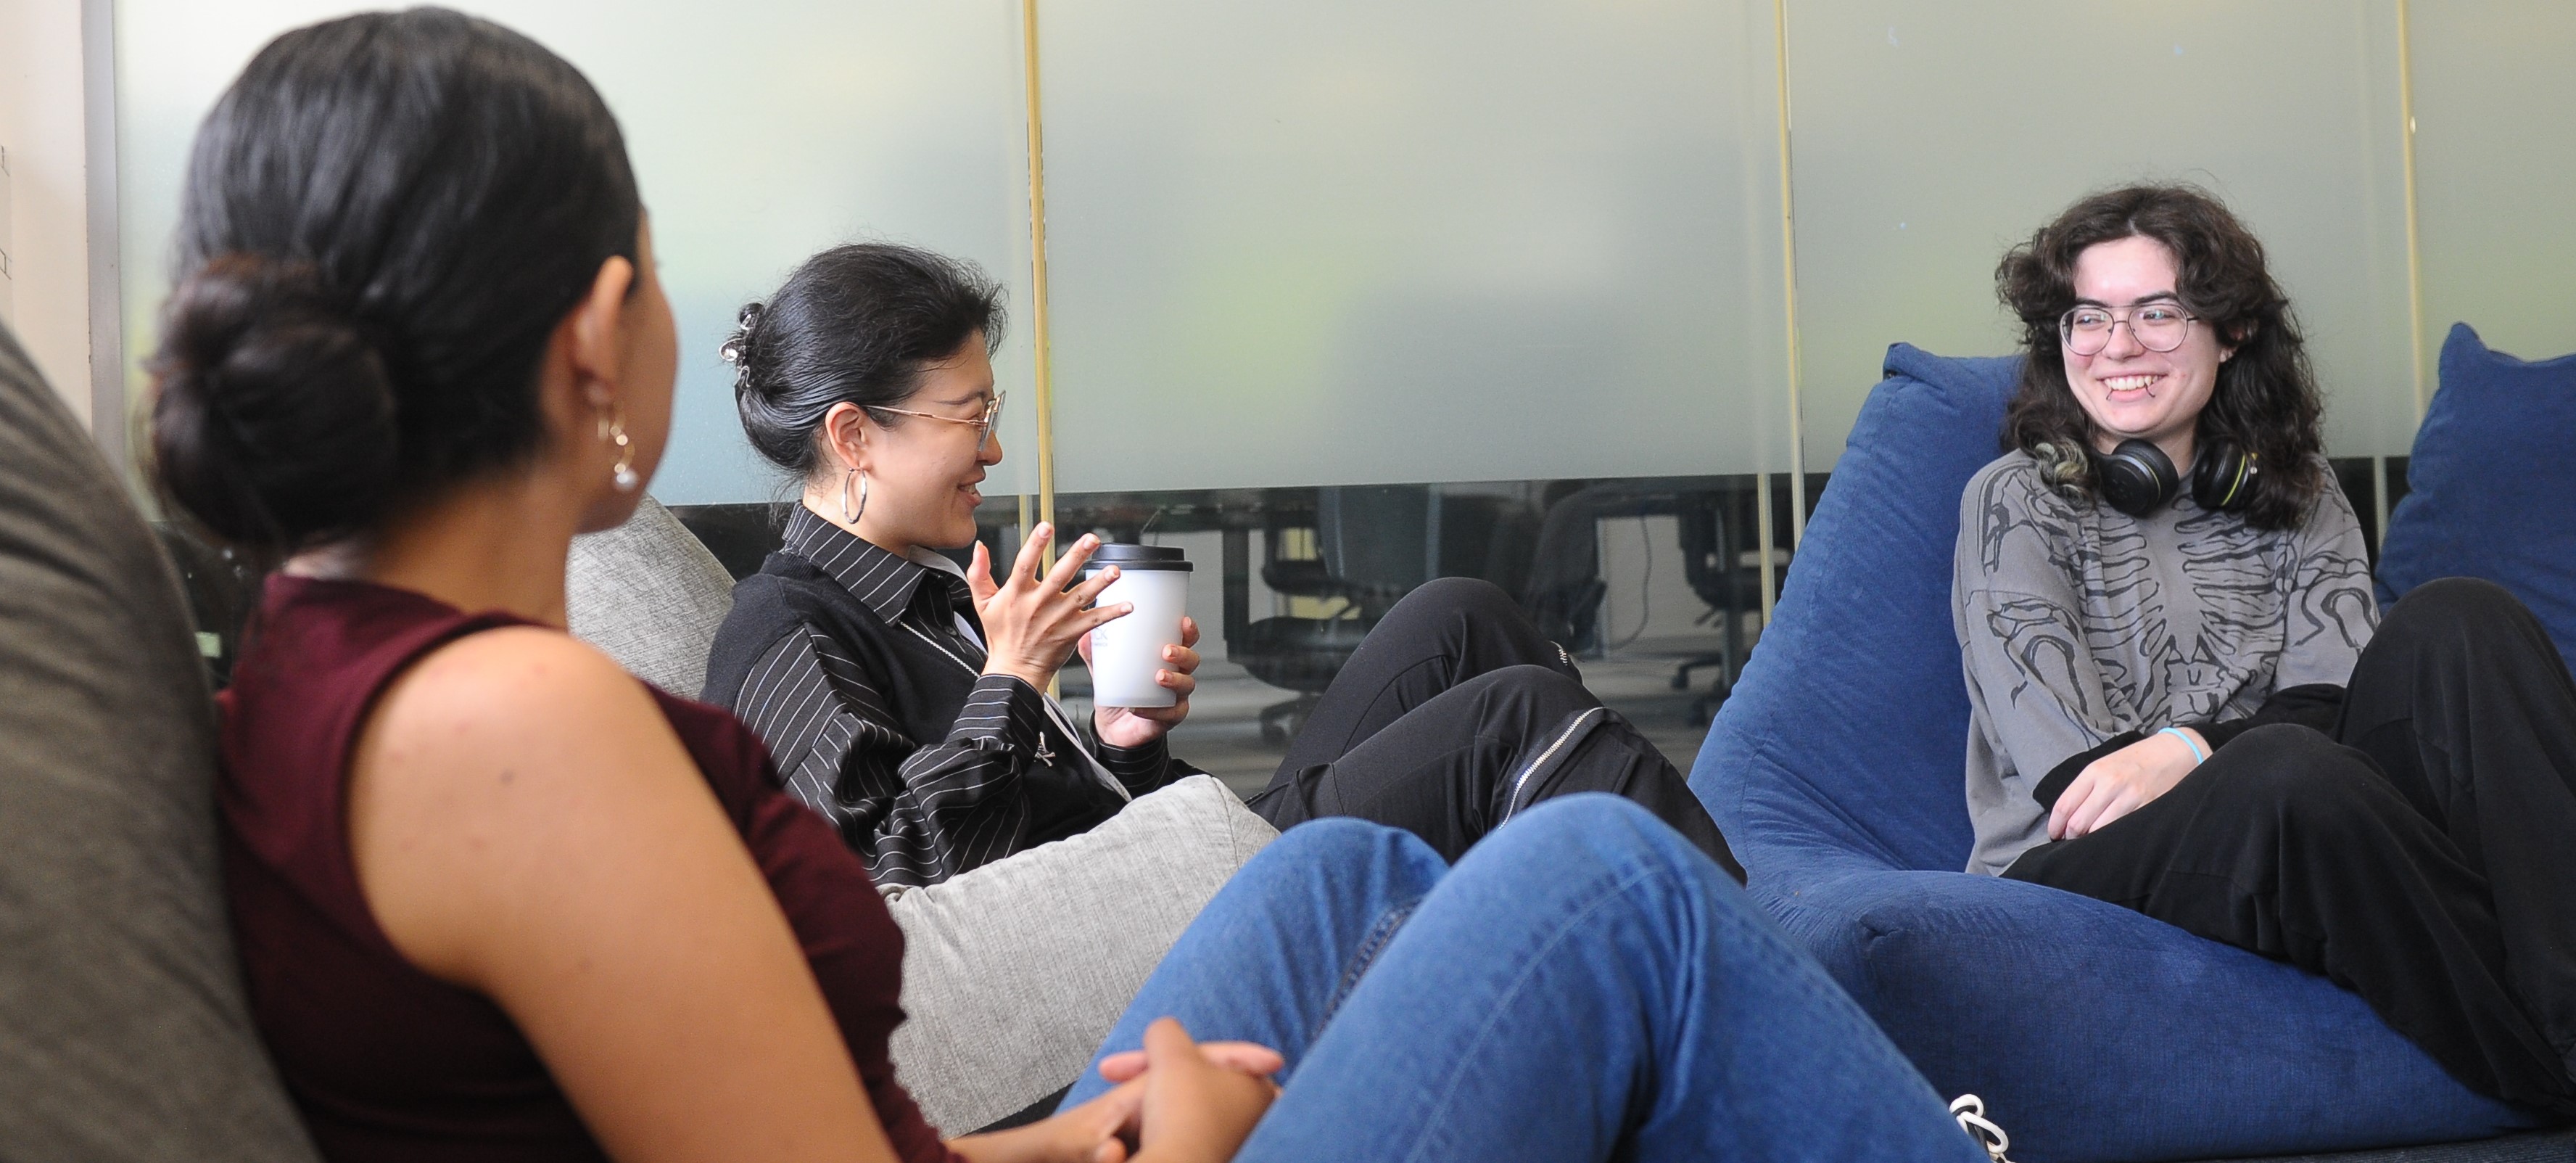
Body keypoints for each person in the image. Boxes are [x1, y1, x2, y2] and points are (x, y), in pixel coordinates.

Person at [154, 9, 1994, 1161]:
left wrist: (1064, 1136)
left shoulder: (348, 670)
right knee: (1592, 875)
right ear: (599, 329)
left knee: (1344, 869)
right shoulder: (514, 728)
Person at [706, 247, 1734, 884]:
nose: (994, 450)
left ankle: (1612, 916)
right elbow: (893, 881)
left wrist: (1125, 742)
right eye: (970, 417)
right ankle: (1757, 984)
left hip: (1167, 855)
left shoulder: (929, 590)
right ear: (854, 435)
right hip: (1142, 928)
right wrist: (1012, 678)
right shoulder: (786, 632)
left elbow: (1055, 809)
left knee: (1456, 615)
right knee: (1507, 717)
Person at [1955, 182, 2576, 1114]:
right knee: (2285, 766)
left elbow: (2332, 703)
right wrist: (2221, 754)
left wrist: (2188, 745)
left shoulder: (2300, 487)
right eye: (2090, 317)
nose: (2117, 346)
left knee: (2464, 616)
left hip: (2301, 801)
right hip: (2074, 855)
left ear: (2231, 331)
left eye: (2157, 312)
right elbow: (2081, 784)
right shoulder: (2010, 501)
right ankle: (2550, 1075)